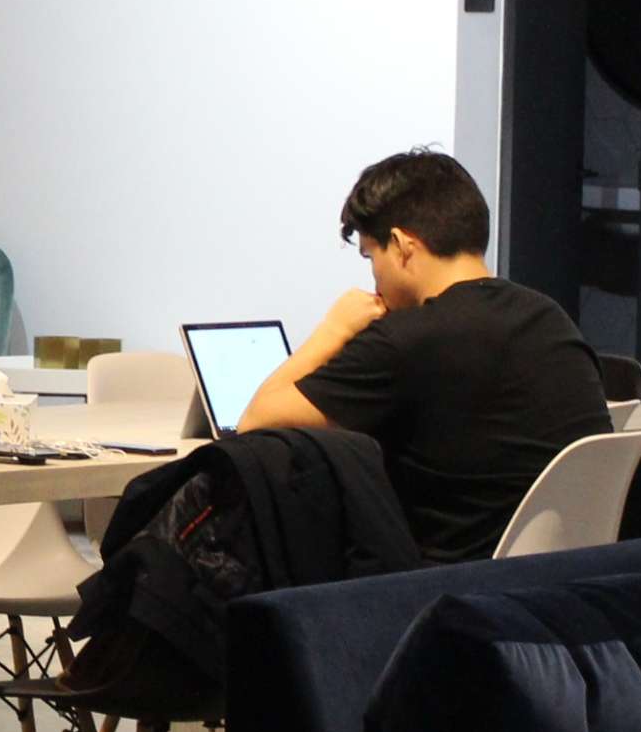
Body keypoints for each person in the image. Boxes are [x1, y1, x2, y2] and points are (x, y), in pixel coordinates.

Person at [236, 147, 615, 563]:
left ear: (401, 246)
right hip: (560, 585)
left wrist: (335, 329)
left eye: (370, 257)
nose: (373, 277)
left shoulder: (405, 340)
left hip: (441, 595)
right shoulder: (549, 316)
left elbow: (255, 420)